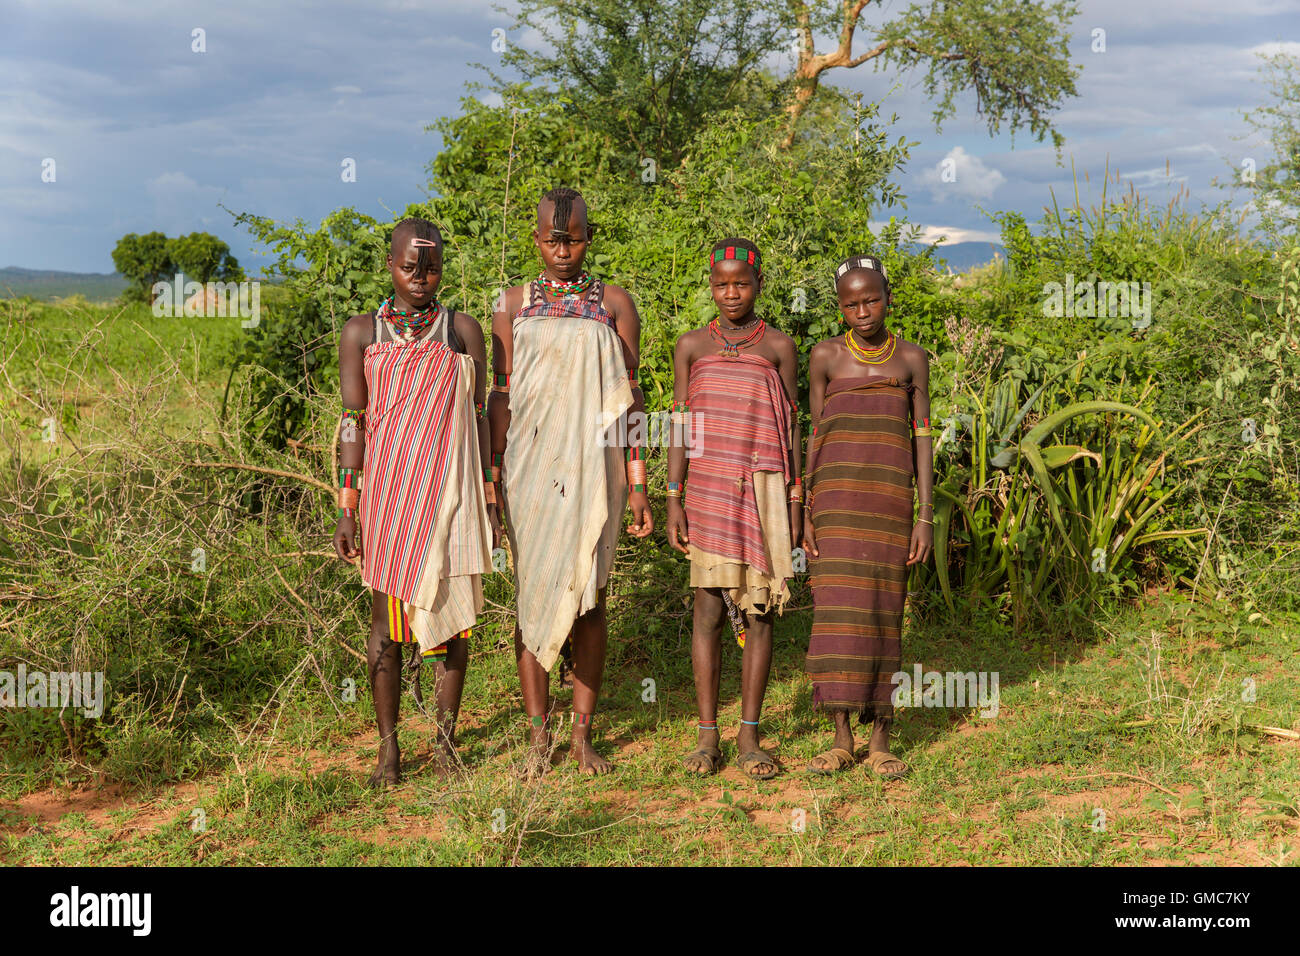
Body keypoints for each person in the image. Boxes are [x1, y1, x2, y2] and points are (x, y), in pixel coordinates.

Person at [489, 187, 653, 777]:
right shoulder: (511, 303)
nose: (563, 248)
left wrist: (638, 483)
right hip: (530, 471)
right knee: (532, 596)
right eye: (553, 238)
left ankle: (582, 736)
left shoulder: (614, 303)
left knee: (589, 597)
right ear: (536, 239)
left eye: (574, 237)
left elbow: (631, 398)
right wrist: (493, 475)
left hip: (595, 470)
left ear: (589, 237)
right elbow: (502, 393)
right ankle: (538, 737)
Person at [333, 217, 499, 787]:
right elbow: (355, 425)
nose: (421, 278)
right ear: (390, 266)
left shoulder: (462, 330)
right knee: (386, 626)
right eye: (410, 267)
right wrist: (347, 508)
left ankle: (447, 745)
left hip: (452, 496)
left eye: (431, 268)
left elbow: (478, 419)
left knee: (454, 625)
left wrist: (489, 498)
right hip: (389, 499)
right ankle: (389, 750)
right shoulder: (364, 333)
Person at [666, 238, 802, 780]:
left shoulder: (780, 347)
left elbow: (792, 427)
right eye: (721, 284)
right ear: (710, 285)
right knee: (706, 609)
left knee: (759, 611)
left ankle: (749, 734)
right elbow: (680, 422)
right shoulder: (692, 346)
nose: (731, 293)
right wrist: (672, 496)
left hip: (764, 489)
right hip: (708, 489)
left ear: (758, 283)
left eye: (741, 283)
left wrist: (796, 499)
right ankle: (707, 736)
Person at [802, 254, 933, 779]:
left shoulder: (912, 360)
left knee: (884, 611)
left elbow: (922, 438)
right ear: (840, 307)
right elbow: (813, 435)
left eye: (872, 298)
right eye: (852, 303)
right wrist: (804, 510)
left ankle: (880, 737)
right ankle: (840, 737)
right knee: (836, 615)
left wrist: (925, 516)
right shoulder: (825, 357)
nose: (863, 310)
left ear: (888, 297)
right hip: (834, 504)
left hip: (889, 503)